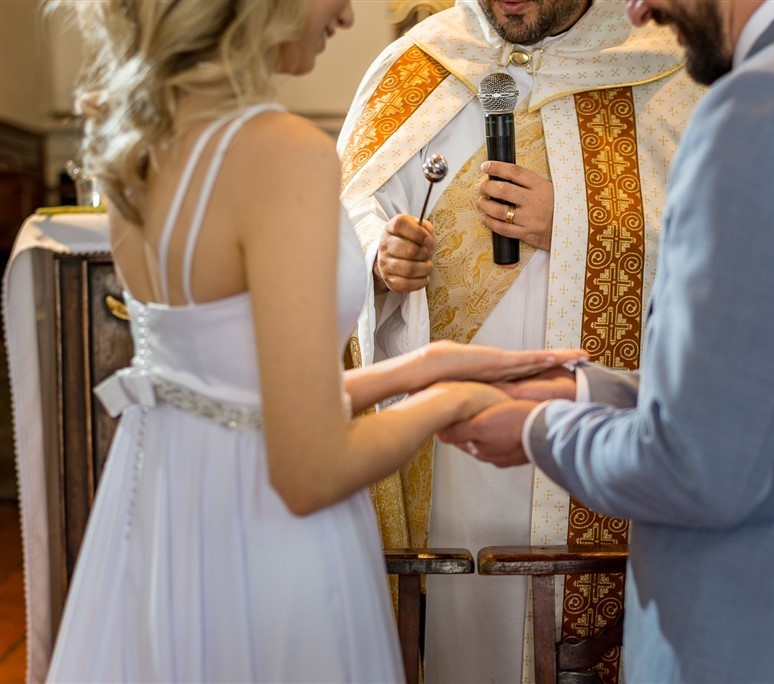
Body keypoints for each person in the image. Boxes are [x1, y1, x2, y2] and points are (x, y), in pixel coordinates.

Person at [43, 1, 582, 682]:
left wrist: (422, 366)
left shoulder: (139, 141)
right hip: (261, 536)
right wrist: (451, 400)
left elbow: (233, 391)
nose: (350, 15)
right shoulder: (282, 154)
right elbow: (309, 473)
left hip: (168, 509)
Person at [441, 0, 774, 682]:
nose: (637, 10)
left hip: (768, 634)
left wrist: (540, 431)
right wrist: (585, 388)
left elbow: (696, 468)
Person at [337, 1, 703, 680]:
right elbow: (352, 202)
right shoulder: (419, 62)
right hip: (442, 455)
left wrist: (578, 223)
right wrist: (380, 261)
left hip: (582, 429)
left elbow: (722, 257)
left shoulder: (665, 71)